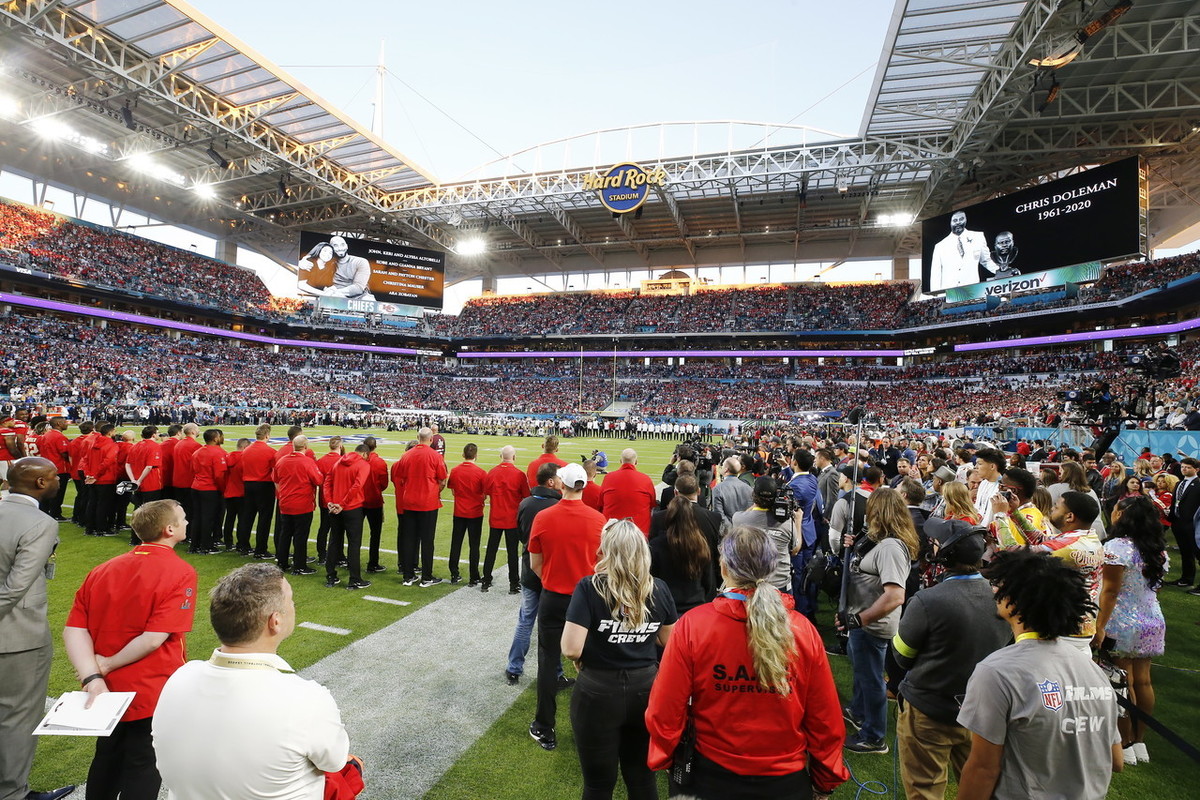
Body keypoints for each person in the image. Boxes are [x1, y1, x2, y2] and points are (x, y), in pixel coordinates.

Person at [646, 526, 849, 799]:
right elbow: (825, 721)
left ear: (724, 566)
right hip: (781, 781)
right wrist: (824, 781)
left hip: (711, 778)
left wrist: (667, 758)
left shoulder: (694, 626)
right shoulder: (801, 630)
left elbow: (664, 710)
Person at [154, 564, 360, 800]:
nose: (294, 607)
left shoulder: (179, 678)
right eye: (291, 602)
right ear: (275, 622)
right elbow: (334, 763)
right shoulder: (306, 699)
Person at [957, 549, 1123, 800]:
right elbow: (1115, 759)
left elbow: (983, 769)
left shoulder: (997, 672)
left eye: (999, 586)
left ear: (1013, 602)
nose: (994, 592)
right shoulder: (1092, 670)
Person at [63, 499, 198, 800]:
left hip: (105, 689)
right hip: (151, 689)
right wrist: (108, 663)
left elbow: (74, 628)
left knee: (107, 758)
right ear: (169, 529)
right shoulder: (180, 571)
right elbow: (153, 638)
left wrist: (92, 676)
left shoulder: (103, 569)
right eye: (183, 518)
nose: (187, 522)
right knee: (143, 765)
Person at [893, 517, 1011, 800]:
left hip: (929, 711)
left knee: (925, 791)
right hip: (981, 714)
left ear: (943, 554)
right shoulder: (1003, 597)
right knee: (982, 788)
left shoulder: (927, 600)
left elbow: (901, 656)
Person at [561, 519, 677, 800]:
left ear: (607, 551)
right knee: (641, 778)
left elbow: (571, 648)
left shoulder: (591, 587)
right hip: (646, 689)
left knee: (599, 784)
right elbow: (670, 642)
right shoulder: (658, 588)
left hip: (598, 690)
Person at [0, 458, 75, 800]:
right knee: (17, 719)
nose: (60, 480)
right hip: (18, 639)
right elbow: (16, 587)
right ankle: (13, 793)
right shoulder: (40, 523)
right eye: (55, 476)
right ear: (42, 484)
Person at [527, 462, 605, 751]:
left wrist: (551, 578)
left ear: (561, 483)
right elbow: (603, 565)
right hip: (588, 599)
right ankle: (593, 725)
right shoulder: (599, 520)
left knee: (548, 661)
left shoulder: (545, 517)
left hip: (554, 596)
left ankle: (545, 725)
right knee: (593, 661)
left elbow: (535, 563)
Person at [838, 487, 918, 754]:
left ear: (879, 512)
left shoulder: (892, 548)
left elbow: (895, 596)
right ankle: (859, 712)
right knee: (863, 672)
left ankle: (874, 736)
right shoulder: (882, 542)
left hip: (871, 624)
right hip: (863, 620)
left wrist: (859, 619)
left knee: (872, 679)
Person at [1093, 496, 1167, 765]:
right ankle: (1139, 741)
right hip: (1151, 619)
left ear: (1122, 515)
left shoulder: (1116, 547)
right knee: (1143, 681)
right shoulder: (1158, 549)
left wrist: (1099, 626)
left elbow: (1110, 591)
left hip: (1120, 620)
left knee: (1124, 681)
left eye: (1114, 510)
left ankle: (1125, 742)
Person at [505, 462, 564, 686]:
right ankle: (556, 672)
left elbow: (521, 534)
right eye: (558, 478)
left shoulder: (525, 503)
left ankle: (514, 667)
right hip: (551, 572)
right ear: (550, 482)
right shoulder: (557, 505)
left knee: (526, 620)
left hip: (530, 569)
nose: (561, 482)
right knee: (553, 625)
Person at [648, 473, 722, 614]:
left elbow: (652, 573)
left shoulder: (659, 535)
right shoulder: (701, 540)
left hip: (668, 600)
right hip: (694, 599)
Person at [393, 428, 448, 588]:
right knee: (427, 540)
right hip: (428, 503)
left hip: (409, 501)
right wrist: (434, 491)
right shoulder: (435, 456)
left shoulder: (406, 455)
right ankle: (426, 577)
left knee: (409, 539)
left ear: (418, 437)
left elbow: (401, 478)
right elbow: (442, 480)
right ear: (431, 439)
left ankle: (408, 575)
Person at [731, 476, 801, 596]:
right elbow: (795, 549)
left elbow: (749, 513)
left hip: (751, 585)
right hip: (779, 585)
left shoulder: (739, 519)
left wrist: (757, 504)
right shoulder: (787, 523)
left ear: (753, 495)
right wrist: (798, 521)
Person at [273, 436, 324, 575]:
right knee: (300, 536)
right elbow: (319, 480)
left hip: (285, 503)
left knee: (285, 534)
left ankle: (282, 563)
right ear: (305, 446)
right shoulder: (307, 462)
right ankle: (300, 565)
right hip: (302, 504)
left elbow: (275, 480)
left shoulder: (282, 461)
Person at [482, 445, 529, 594]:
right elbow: (526, 496)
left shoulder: (492, 472)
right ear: (514, 457)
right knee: (512, 552)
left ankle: (486, 580)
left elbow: (486, 492)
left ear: (500, 456)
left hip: (496, 517)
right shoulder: (519, 474)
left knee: (491, 549)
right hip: (511, 519)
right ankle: (513, 583)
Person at [322, 446, 371, 590]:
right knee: (354, 544)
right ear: (365, 454)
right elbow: (357, 486)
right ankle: (354, 579)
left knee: (334, 541)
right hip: (352, 508)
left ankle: (331, 576)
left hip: (334, 508)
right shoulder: (363, 464)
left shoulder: (338, 462)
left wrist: (329, 502)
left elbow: (327, 483)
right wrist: (343, 504)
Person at [446, 443, 487, 586]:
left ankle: (454, 573)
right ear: (476, 455)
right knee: (474, 545)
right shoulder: (481, 473)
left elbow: (452, 490)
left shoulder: (455, 470)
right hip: (475, 512)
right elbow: (484, 493)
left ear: (463, 455)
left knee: (456, 543)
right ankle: (474, 576)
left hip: (459, 511)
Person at [929, 209, 997, 293]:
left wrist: (1001, 271)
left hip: (972, 290)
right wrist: (935, 294)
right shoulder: (940, 246)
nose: (958, 222)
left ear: (966, 220)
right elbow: (936, 274)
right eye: (955, 220)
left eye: (961, 219)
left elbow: (986, 261)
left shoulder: (978, 237)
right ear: (950, 222)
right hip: (949, 292)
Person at [238, 424, 277, 559]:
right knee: (264, 519)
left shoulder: (246, 450)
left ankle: (243, 546)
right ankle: (260, 549)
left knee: (247, 516)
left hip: (248, 484)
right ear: (267, 435)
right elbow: (274, 472)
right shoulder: (270, 451)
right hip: (264, 485)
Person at [599, 449, 656, 535]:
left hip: (612, 534)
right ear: (636, 462)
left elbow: (600, 504)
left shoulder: (609, 478)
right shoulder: (645, 479)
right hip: (638, 534)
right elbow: (652, 505)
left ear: (620, 461)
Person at [189, 428, 228, 554]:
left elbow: (192, 469)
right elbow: (219, 476)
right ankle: (206, 546)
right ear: (216, 438)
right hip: (210, 488)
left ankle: (194, 545)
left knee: (197, 517)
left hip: (196, 486)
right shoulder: (218, 453)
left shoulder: (198, 451)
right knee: (208, 518)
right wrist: (222, 489)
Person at [1167, 457, 1199, 590]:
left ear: (1196, 469)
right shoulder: (1179, 483)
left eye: (1188, 467)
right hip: (1178, 522)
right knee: (1185, 553)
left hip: (1193, 524)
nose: (1184, 469)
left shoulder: (1198, 484)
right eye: (1183, 467)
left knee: (1197, 553)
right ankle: (1186, 579)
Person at [359, 437, 389, 575]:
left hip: (358, 501)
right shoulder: (379, 462)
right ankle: (373, 563)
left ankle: (351, 562)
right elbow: (384, 484)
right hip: (374, 501)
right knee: (375, 534)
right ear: (375, 446)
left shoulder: (357, 461)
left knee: (354, 535)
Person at [710, 456, 752, 523]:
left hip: (727, 531)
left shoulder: (718, 489)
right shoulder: (749, 488)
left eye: (723, 465)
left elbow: (719, 514)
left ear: (726, 469)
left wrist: (730, 529)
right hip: (744, 529)